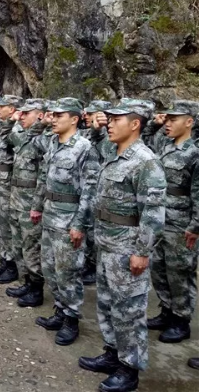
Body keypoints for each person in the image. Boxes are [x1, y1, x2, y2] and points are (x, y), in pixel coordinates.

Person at [79, 99, 166, 392]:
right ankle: (112, 353)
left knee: (129, 311)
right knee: (107, 304)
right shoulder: (113, 153)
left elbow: (153, 215)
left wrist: (142, 252)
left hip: (128, 250)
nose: (110, 123)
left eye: (117, 119)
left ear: (135, 124)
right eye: (110, 119)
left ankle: (129, 370)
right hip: (106, 246)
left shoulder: (145, 162)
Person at [32, 97, 99, 346]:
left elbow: (90, 191)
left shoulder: (84, 147)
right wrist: (37, 206)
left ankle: (71, 319)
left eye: (59, 115)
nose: (53, 119)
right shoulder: (53, 143)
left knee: (68, 272)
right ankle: (60, 311)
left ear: (74, 119)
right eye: (52, 114)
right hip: (50, 216)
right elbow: (43, 178)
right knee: (50, 268)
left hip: (69, 220)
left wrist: (79, 225)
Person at [147, 101, 199, 344]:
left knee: (180, 273)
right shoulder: (164, 145)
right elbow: (144, 139)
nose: (167, 123)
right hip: (159, 220)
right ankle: (166, 310)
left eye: (173, 119)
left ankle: (181, 319)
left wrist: (195, 226)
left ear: (189, 122)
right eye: (166, 119)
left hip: (181, 225)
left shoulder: (194, 153)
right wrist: (154, 123)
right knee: (158, 268)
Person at [7, 98, 47, 306]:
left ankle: (36, 288)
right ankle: (26, 282)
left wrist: (37, 206)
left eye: (25, 113)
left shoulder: (44, 139)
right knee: (19, 244)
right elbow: (11, 137)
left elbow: (43, 178)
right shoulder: (24, 136)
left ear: (40, 115)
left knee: (31, 246)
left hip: (31, 203)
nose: (20, 116)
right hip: (17, 199)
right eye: (20, 113)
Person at [0, 95, 24, 283]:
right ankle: (4, 259)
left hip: (8, 186)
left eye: (2, 106)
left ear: (12, 109)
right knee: (0, 224)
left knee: (8, 228)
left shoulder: (17, 129)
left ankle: (12, 264)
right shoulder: (1, 126)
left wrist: (12, 122)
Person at [81, 100, 112, 286]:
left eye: (91, 113)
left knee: (94, 232)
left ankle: (93, 266)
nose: (86, 116)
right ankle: (87, 262)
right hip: (85, 190)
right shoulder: (85, 134)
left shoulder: (109, 137)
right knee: (86, 230)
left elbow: (98, 135)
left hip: (98, 193)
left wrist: (98, 127)